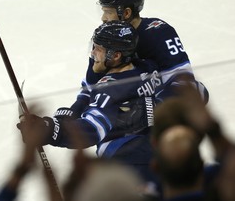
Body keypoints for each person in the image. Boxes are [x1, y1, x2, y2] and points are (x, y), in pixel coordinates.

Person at [17, 21, 161, 189]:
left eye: (98, 49)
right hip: (158, 156)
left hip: (127, 166)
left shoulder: (109, 90)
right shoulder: (147, 68)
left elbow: (91, 130)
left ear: (115, 56)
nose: (93, 53)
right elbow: (91, 89)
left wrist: (49, 129)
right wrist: (75, 110)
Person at [72, 0, 208, 115]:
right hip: (129, 105)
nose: (103, 18)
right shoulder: (106, 37)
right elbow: (90, 88)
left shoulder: (159, 33)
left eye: (108, 12)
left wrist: (150, 111)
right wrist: (72, 114)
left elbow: (184, 82)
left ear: (126, 13)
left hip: (159, 109)